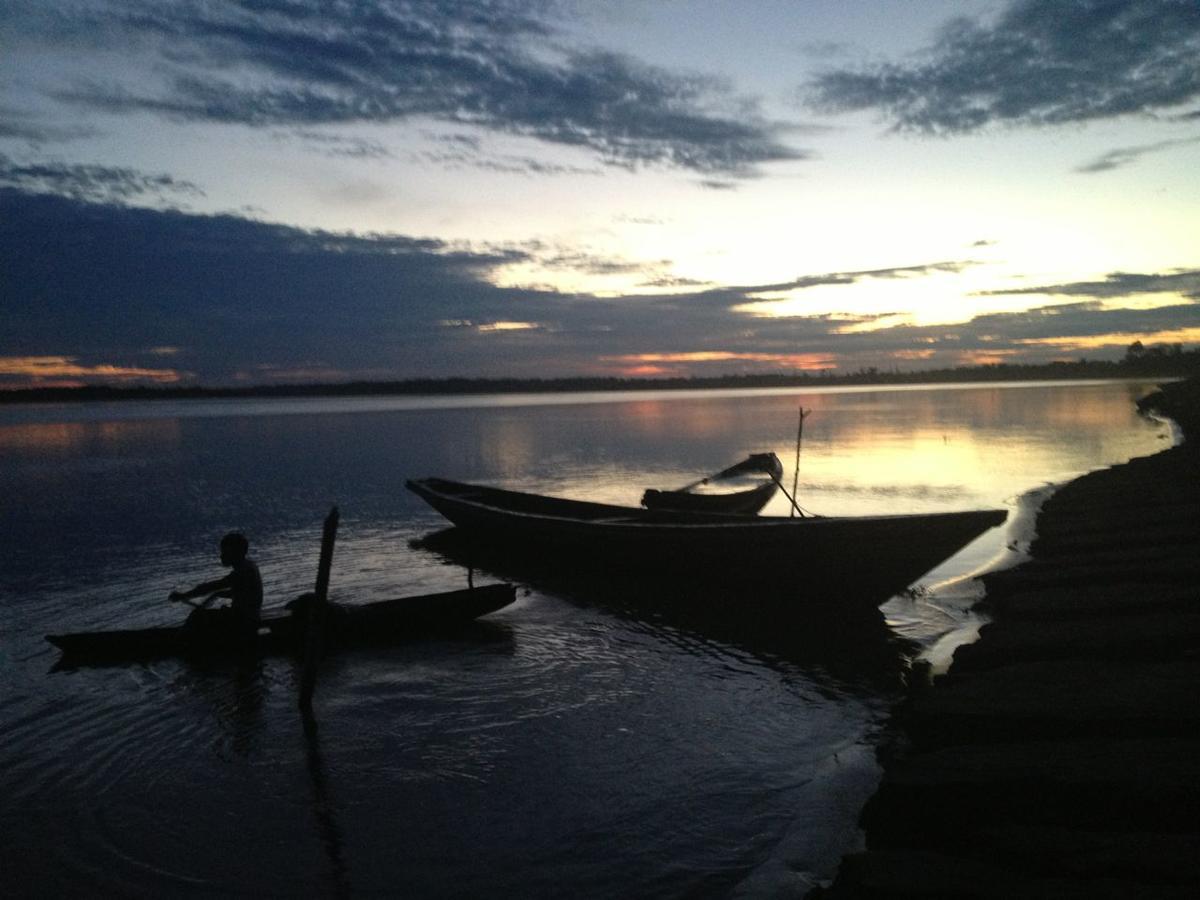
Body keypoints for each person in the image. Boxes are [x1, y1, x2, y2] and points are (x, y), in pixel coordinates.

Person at [170, 532, 263, 639]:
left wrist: (183, 596)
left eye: (225, 552)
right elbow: (243, 592)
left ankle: (181, 643)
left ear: (237, 552)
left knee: (196, 616)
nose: (221, 556)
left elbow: (213, 586)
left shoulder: (242, 572)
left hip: (244, 620)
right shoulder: (249, 566)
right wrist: (218, 594)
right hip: (249, 617)